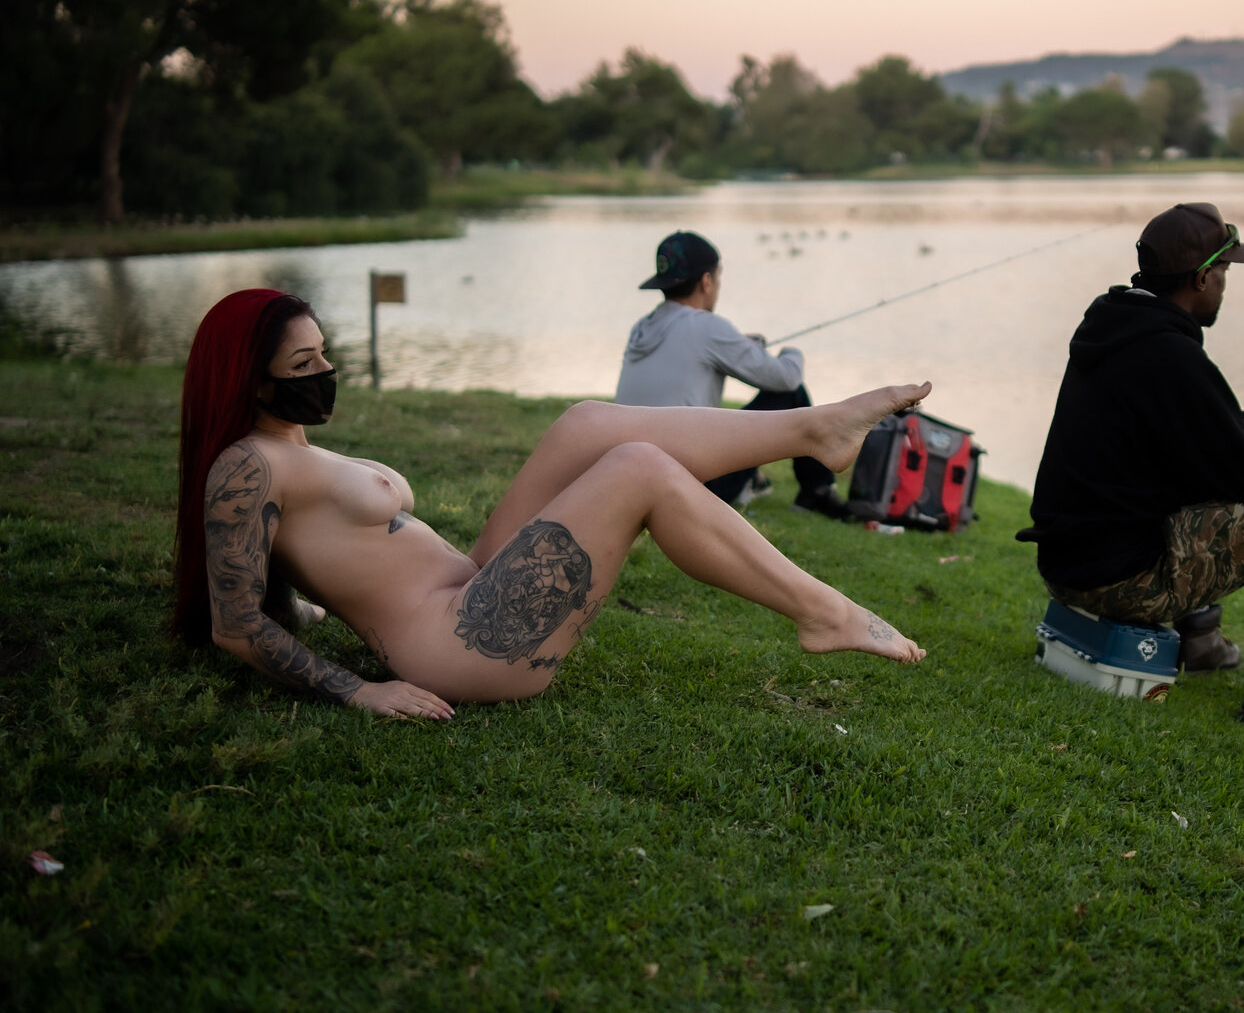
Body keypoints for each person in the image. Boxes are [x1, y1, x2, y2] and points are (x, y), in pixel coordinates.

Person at [174, 289, 928, 718]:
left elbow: (287, 570)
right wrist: (361, 691)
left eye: (324, 352)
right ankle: (822, 612)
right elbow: (235, 627)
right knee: (637, 467)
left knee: (587, 424)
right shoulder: (247, 466)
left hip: (468, 589)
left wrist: (301, 607)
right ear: (251, 379)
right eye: (304, 363)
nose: (325, 370)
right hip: (457, 645)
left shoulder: (288, 447)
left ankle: (812, 429)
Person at [1016, 202, 1244, 746]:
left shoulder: (1117, 327)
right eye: (1226, 271)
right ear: (1203, 277)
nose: (1226, 285)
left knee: (1196, 477)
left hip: (1070, 569)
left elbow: (1208, 434)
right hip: (1124, 584)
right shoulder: (1171, 354)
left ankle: (1200, 637)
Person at [615, 230, 850, 518]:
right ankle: (817, 492)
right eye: (718, 278)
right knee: (791, 393)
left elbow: (693, 351)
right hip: (686, 487)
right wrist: (792, 352)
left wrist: (739, 345)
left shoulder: (642, 328)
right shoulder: (707, 327)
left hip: (629, 474)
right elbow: (787, 377)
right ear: (706, 281)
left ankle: (759, 482)